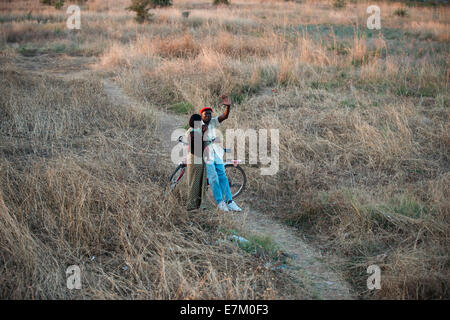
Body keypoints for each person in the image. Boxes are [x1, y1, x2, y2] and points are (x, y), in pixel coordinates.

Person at [200, 95, 242, 212]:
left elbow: (224, 116)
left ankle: (230, 201)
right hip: (206, 155)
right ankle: (220, 202)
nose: (208, 115)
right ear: (201, 116)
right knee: (213, 178)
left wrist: (228, 106)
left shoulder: (213, 122)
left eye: (209, 114)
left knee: (222, 176)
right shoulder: (198, 125)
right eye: (205, 114)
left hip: (216, 153)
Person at [185, 114, 207, 211]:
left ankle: (195, 205)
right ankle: (192, 206)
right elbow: (201, 148)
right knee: (195, 183)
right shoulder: (194, 133)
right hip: (196, 159)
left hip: (194, 158)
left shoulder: (192, 132)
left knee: (196, 182)